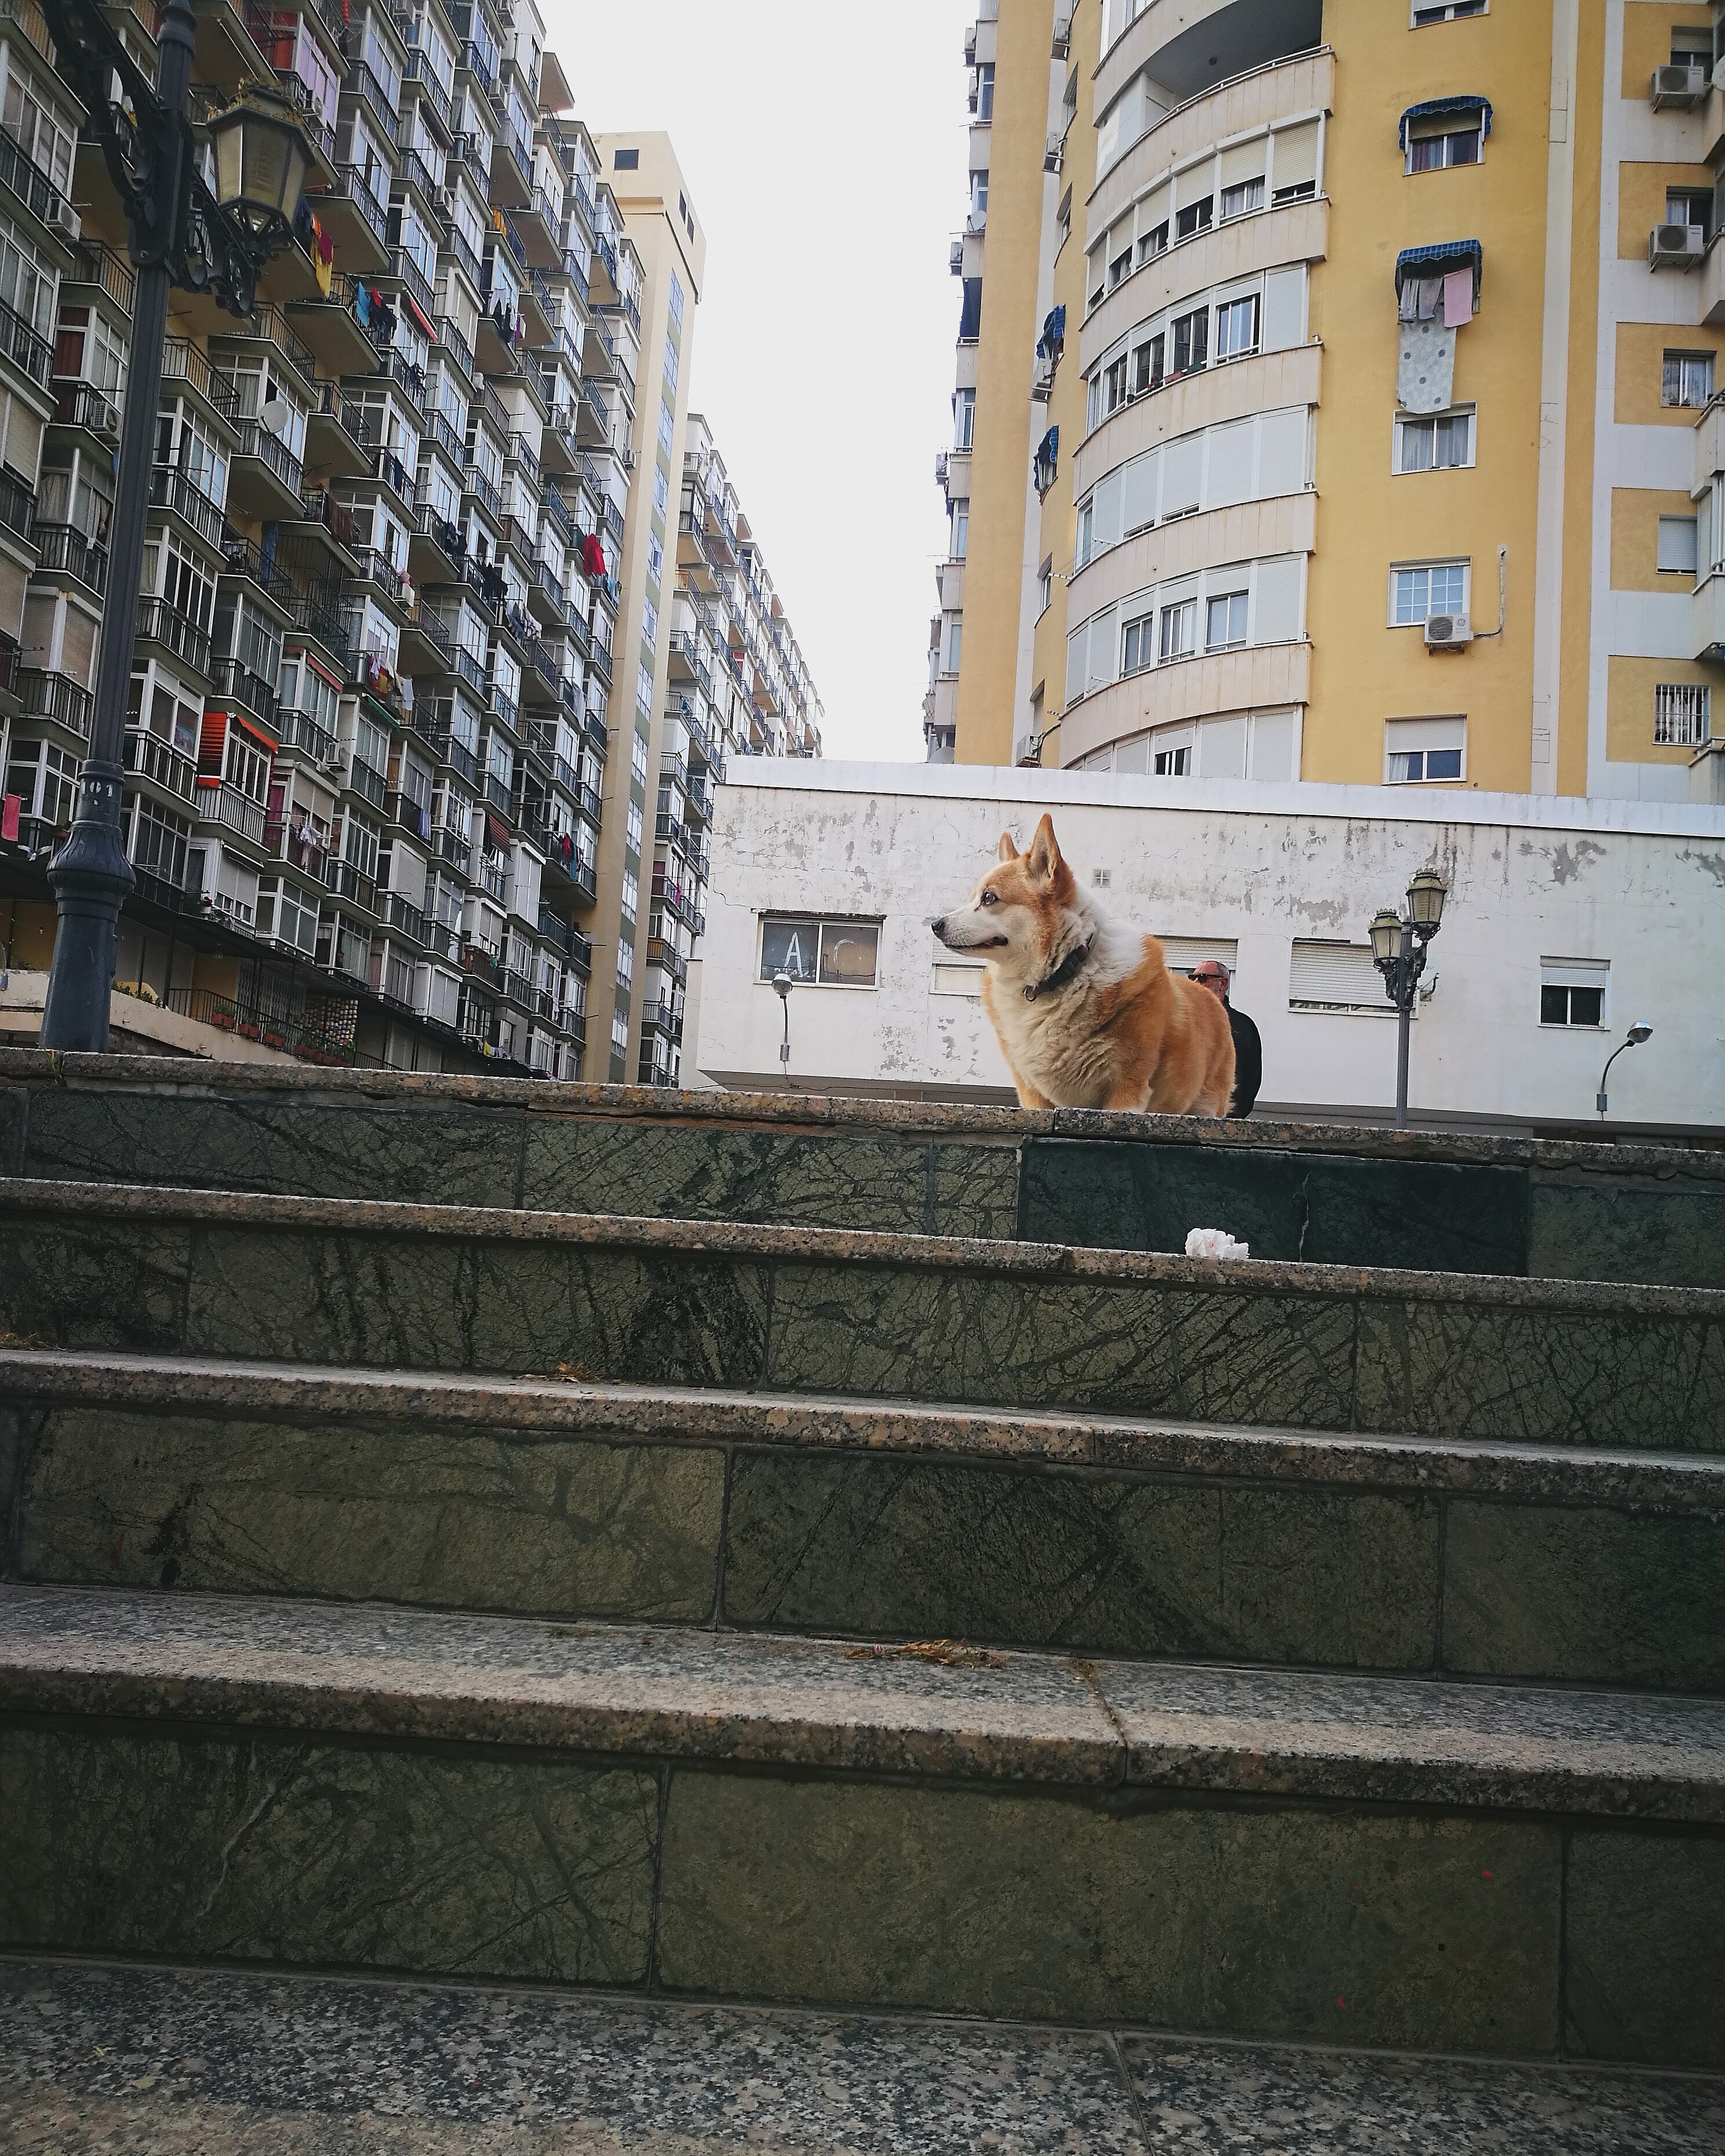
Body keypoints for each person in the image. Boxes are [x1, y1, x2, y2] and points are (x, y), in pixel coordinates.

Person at [1192, 959, 1260, 1117]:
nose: (1195, 983)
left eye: (1203, 978)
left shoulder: (1244, 1026)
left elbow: (1251, 1079)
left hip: (1227, 1117)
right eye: (1192, 978)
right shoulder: (1184, 1021)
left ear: (1222, 984)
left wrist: (1235, 1116)